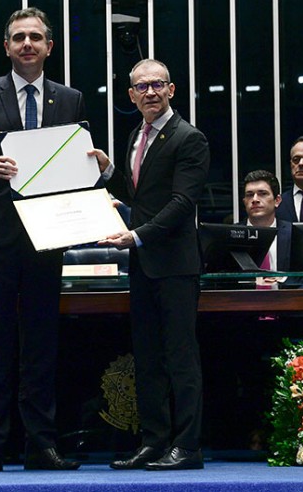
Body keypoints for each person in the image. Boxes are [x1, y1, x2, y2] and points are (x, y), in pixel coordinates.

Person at [0, 7, 86, 473]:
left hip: (49, 232)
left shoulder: (71, 99)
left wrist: (96, 168)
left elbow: (75, 163)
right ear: (6, 47)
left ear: (49, 47)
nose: (28, 44)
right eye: (19, 37)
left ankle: (41, 444)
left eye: (36, 37)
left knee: (42, 342)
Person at [88, 58, 209, 470]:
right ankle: (154, 442)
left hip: (175, 266)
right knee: (147, 358)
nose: (150, 92)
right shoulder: (135, 136)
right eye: (142, 86)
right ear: (131, 95)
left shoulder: (189, 138)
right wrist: (109, 171)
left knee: (181, 359)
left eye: (158, 84)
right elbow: (138, 196)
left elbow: (182, 202)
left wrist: (137, 235)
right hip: (142, 264)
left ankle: (187, 446)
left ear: (171, 90)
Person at [242, 169, 291, 277]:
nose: (255, 199)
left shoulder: (293, 234)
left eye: (263, 194)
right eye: (250, 195)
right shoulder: (230, 234)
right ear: (244, 201)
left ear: (277, 200)